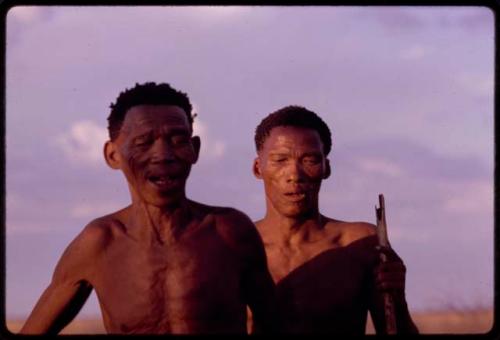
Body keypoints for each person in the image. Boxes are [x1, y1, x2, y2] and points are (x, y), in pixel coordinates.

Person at [20, 82, 276, 335]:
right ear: (113, 155)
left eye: (177, 140)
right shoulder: (99, 243)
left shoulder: (229, 231)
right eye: (144, 142)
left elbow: (275, 325)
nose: (163, 154)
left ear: (195, 149)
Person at [251, 105, 418, 334]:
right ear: (258, 168)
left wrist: (398, 299)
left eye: (310, 160)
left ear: (326, 168)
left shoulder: (361, 244)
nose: (294, 175)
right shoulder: (236, 247)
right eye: (280, 160)